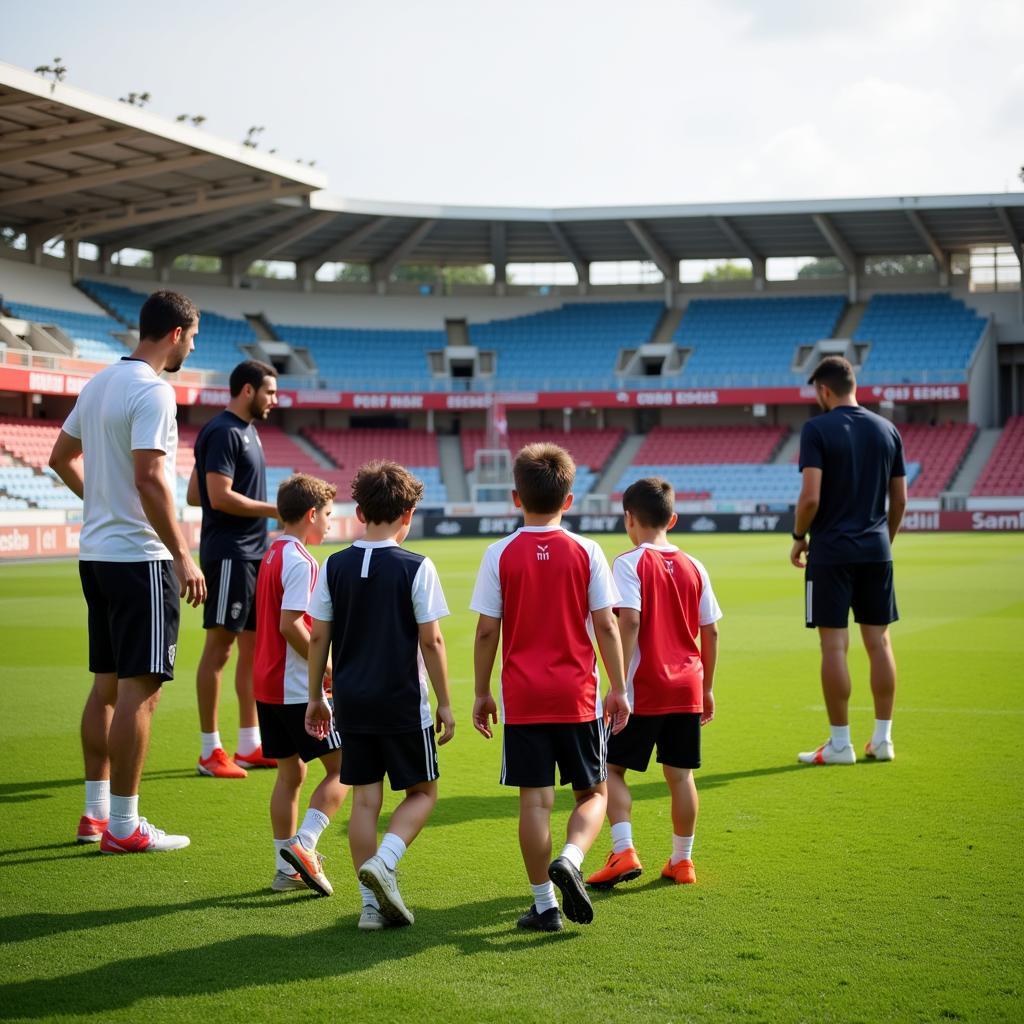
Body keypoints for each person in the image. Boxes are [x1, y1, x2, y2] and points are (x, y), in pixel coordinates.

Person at [48, 290, 206, 854]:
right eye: (192, 337)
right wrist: (184, 554)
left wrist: (100, 505)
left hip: (96, 557)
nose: (192, 345)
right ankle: (123, 826)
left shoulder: (98, 384)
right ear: (175, 333)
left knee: (107, 686)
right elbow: (149, 477)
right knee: (142, 691)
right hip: (140, 559)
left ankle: (94, 814)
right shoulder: (153, 391)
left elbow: (59, 457)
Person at [471, 443, 630, 933]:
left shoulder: (499, 552)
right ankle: (572, 857)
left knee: (534, 803)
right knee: (593, 794)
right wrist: (619, 687)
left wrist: (482, 692)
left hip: (523, 700)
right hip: (577, 696)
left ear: (516, 497)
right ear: (569, 499)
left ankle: (544, 905)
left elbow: (485, 631)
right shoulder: (587, 550)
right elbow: (606, 626)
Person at [305, 460, 455, 930]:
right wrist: (447, 703)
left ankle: (370, 910)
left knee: (365, 801)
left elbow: (317, 638)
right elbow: (431, 641)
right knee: (423, 792)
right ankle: (386, 862)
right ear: (407, 514)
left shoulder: (334, 564)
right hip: (402, 702)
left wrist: (315, 696)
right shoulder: (416, 566)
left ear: (360, 511)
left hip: (352, 703)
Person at [585, 478, 721, 891]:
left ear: (629, 518)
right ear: (673, 519)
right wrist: (708, 688)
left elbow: (630, 619)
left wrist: (617, 684)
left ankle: (623, 850)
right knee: (681, 776)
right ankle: (682, 861)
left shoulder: (628, 563)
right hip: (687, 685)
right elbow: (710, 631)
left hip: (644, 688)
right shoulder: (695, 565)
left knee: (610, 769)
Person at [791, 356, 907, 765]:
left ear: (824, 390)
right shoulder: (887, 429)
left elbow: (810, 498)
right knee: (880, 643)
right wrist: (883, 541)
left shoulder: (817, 429)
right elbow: (901, 500)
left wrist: (798, 536)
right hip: (877, 551)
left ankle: (841, 744)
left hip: (831, 553)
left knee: (834, 647)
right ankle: (884, 739)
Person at [252, 473, 349, 896]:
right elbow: (291, 624)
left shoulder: (272, 553)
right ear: (311, 515)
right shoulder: (302, 561)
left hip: (267, 685)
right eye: (327, 515)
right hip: (295, 688)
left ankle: (284, 869)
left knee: (291, 773)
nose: (330, 523)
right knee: (344, 768)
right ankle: (304, 845)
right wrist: (324, 668)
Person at [187, 360, 279, 778]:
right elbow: (216, 497)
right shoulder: (224, 431)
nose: (275, 400)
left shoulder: (247, 432)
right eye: (270, 393)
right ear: (247, 390)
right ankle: (210, 750)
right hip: (230, 556)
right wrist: (278, 509)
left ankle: (249, 744)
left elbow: (193, 494)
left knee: (253, 651)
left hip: (253, 554)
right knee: (219, 650)